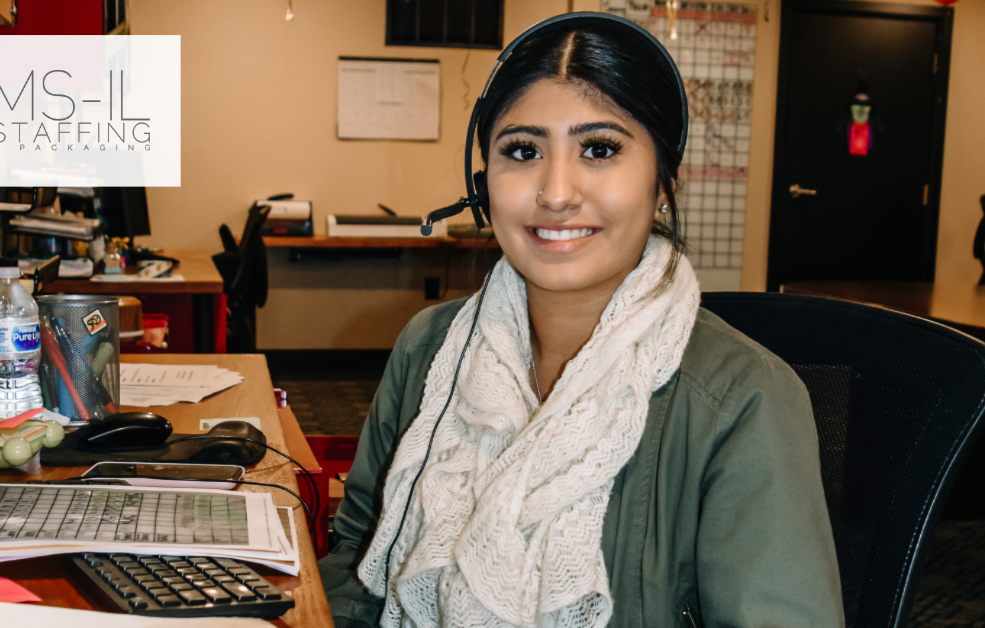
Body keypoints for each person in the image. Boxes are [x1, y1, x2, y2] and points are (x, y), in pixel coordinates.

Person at [319, 14, 844, 628]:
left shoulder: (746, 399)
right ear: (481, 183)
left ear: (663, 183)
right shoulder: (429, 350)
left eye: (599, 149)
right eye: (523, 151)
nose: (557, 192)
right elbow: (359, 560)